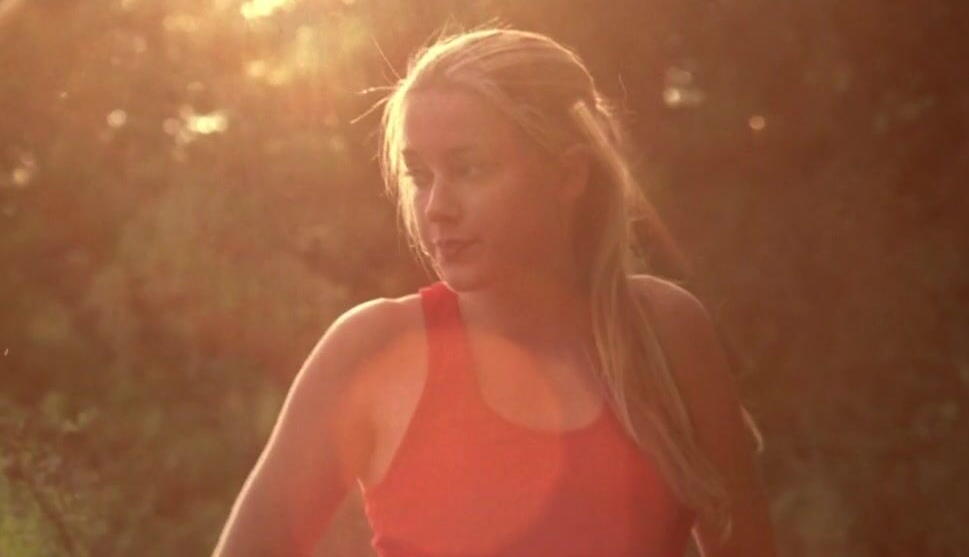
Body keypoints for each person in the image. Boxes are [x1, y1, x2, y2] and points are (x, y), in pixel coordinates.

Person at [212, 27, 777, 557]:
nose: (437, 207)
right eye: (420, 175)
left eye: (470, 169)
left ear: (568, 176)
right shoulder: (370, 349)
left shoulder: (665, 331)